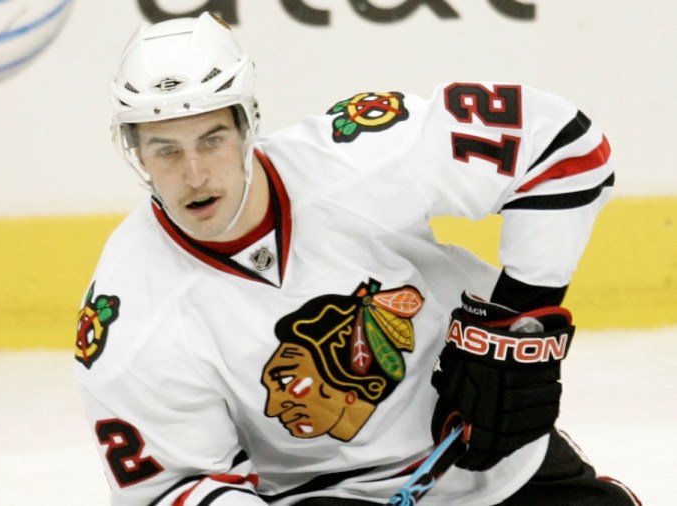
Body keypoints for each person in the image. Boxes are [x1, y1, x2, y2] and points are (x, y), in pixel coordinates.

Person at [73, 12, 640, 506]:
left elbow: (562, 146)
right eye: (165, 149)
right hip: (323, 497)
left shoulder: (357, 156)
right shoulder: (129, 317)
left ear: (248, 125)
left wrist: (518, 326)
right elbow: (174, 488)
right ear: (135, 151)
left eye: (212, 140)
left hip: (492, 467)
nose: (193, 175)